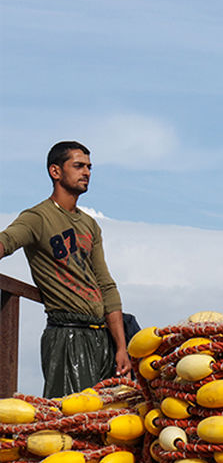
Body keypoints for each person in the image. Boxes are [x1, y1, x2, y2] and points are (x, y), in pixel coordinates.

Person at [0, 141, 131, 397]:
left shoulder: (89, 224)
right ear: (56, 172)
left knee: (108, 422)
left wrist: (121, 347)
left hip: (102, 334)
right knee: (69, 420)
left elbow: (105, 284)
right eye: (78, 166)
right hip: (67, 334)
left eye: (89, 168)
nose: (87, 173)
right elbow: (6, 241)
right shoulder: (38, 217)